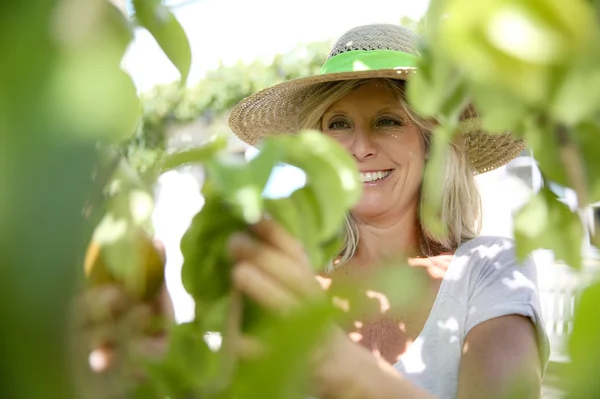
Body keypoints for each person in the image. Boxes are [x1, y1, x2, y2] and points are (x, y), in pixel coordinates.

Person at [225, 23, 550, 399]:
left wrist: (341, 365)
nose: (360, 147)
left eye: (387, 121)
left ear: (430, 143)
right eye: (339, 124)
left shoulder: (491, 270)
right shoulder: (290, 279)